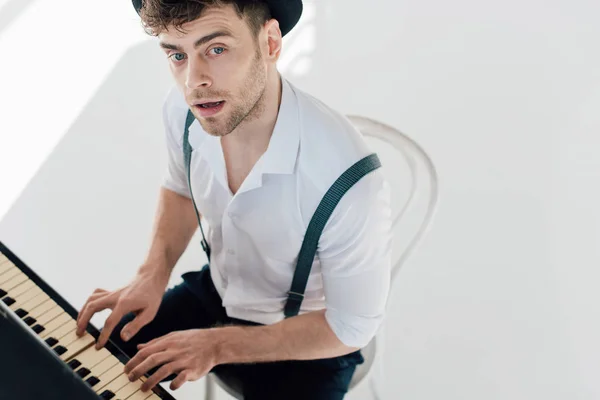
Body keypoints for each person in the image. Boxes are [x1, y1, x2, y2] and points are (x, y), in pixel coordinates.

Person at [75, 0, 393, 398]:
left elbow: (350, 327)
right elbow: (178, 185)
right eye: (177, 54)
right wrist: (152, 274)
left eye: (216, 49)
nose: (194, 81)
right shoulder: (183, 112)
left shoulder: (348, 179)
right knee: (80, 360)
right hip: (217, 294)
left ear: (271, 42)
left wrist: (217, 345)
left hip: (308, 338)